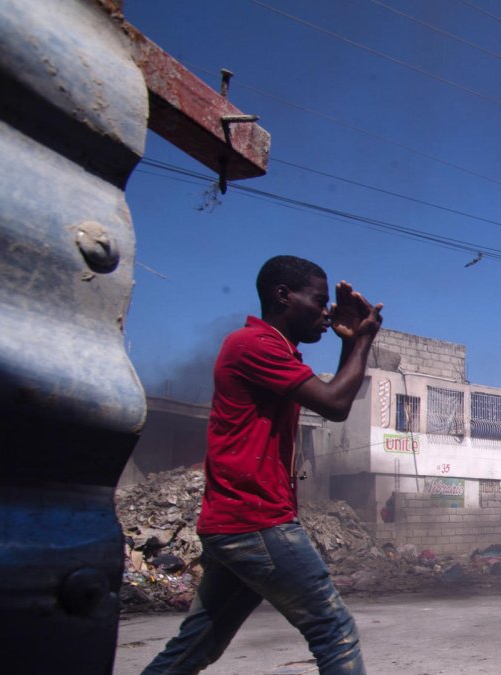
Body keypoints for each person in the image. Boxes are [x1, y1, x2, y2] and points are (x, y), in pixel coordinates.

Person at [142, 256, 383, 675]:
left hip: (233, 523)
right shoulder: (256, 346)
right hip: (256, 522)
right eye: (319, 300)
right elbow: (336, 404)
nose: (326, 312)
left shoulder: (273, 350)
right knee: (334, 630)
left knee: (197, 645)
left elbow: (331, 399)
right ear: (283, 296)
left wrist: (348, 342)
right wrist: (363, 340)